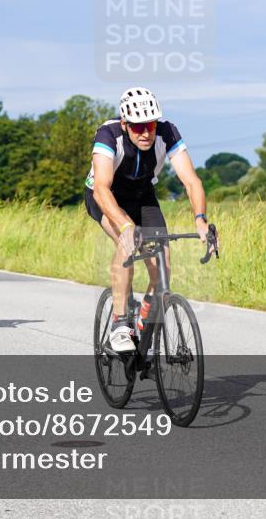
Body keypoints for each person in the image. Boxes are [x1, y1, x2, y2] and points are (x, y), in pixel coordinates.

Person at [84, 87, 214, 352]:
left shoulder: (167, 132)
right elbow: (101, 188)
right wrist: (126, 226)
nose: (145, 133)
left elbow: (191, 181)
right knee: (126, 242)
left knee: (162, 263)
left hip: (143, 195)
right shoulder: (108, 135)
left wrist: (200, 219)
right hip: (106, 196)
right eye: (137, 127)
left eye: (150, 124)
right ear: (125, 124)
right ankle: (120, 324)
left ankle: (144, 320)